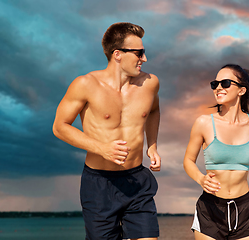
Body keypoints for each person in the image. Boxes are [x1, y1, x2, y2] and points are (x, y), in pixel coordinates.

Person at [53, 22, 161, 240]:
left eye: (144, 53)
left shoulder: (150, 83)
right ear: (118, 54)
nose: (145, 59)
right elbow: (59, 127)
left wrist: (153, 145)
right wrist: (101, 148)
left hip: (137, 179)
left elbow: (154, 111)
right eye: (139, 53)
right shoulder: (85, 84)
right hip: (99, 184)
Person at [183, 64, 249, 240]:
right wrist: (201, 179)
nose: (218, 88)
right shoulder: (204, 123)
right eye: (214, 84)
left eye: (225, 83)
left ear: (241, 90)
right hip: (211, 208)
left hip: (244, 208)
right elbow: (188, 161)